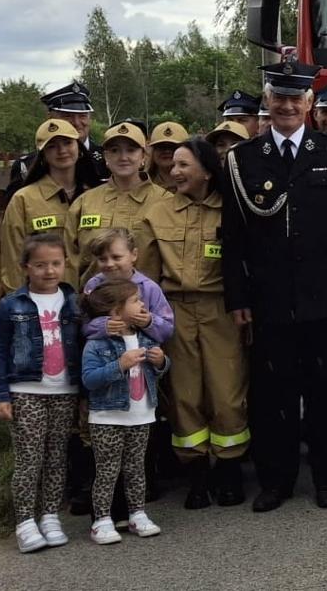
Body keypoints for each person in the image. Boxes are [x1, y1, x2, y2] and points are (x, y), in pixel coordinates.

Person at [222, 61, 327, 512]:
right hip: (270, 301)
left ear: (308, 104)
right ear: (267, 102)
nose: (287, 105)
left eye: (295, 98)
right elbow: (233, 236)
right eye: (279, 97)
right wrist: (238, 296)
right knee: (273, 397)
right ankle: (276, 481)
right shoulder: (243, 159)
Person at [135, 138, 248, 508]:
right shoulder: (157, 212)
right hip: (175, 312)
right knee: (184, 395)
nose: (174, 171)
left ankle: (229, 469)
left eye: (184, 165)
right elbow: (147, 276)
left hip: (220, 311)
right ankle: (196, 472)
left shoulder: (231, 209)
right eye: (173, 165)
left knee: (227, 392)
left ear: (205, 170)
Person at [0, 234, 82, 554]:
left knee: (57, 456)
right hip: (25, 389)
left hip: (64, 389)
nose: (49, 271)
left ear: (65, 264)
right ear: (25, 267)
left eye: (56, 264)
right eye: (40, 265)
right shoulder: (11, 305)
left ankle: (51, 515)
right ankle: (25, 521)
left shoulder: (73, 302)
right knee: (30, 458)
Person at [78, 276, 170, 544]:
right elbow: (89, 380)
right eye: (136, 301)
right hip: (107, 417)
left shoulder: (145, 337)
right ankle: (102, 520)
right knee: (107, 470)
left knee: (135, 468)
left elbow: (162, 370)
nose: (143, 304)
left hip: (141, 415)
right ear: (117, 311)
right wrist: (119, 364)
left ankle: (137, 513)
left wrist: (162, 360)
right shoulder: (97, 343)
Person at [4, 119, 89, 291]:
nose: (62, 150)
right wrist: (21, 306)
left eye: (67, 143)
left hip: (93, 301)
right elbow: (13, 260)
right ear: (42, 155)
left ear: (79, 147)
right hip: (44, 302)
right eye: (52, 146)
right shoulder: (23, 200)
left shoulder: (96, 196)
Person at [70, 122, 158, 282]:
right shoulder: (85, 202)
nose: (123, 157)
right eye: (115, 150)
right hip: (92, 301)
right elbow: (69, 260)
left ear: (144, 156)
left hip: (147, 303)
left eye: (131, 150)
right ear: (105, 157)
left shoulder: (165, 202)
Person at [7, 82, 106, 193]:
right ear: (50, 118)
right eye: (67, 116)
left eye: (82, 116)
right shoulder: (26, 167)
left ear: (90, 118)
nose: (77, 123)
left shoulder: (109, 160)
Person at [146, 121, 187, 192]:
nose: (167, 151)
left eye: (173, 146)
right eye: (161, 146)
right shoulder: (141, 182)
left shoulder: (196, 183)